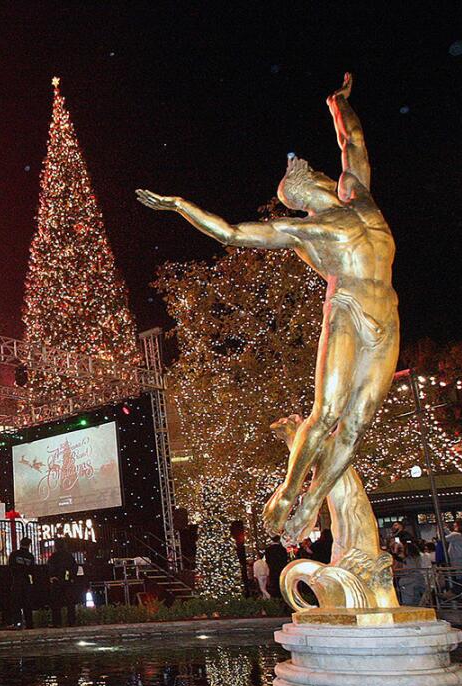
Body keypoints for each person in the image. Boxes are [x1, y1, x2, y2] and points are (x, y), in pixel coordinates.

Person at [139, 72, 399, 546]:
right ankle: (288, 491)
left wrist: (338, 104)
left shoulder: (360, 196)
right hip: (347, 309)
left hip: (387, 315)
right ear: (303, 189)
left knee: (358, 419)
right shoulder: (304, 230)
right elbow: (232, 233)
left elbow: (353, 142)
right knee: (325, 414)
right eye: (317, 175)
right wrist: (180, 205)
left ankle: (315, 497)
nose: (327, 173)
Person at [46, 542, 80, 627]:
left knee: (56, 602)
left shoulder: (54, 556)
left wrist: (52, 576)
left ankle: (57, 623)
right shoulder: (69, 556)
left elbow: (50, 567)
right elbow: (75, 567)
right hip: (67, 581)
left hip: (57, 581)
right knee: (70, 602)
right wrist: (72, 577)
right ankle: (71, 622)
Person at [7, 538, 37, 629]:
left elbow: (10, 567)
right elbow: (33, 570)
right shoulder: (30, 556)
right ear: (29, 545)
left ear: (20, 543)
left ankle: (17, 623)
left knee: (16, 603)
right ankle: (29, 624)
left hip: (16, 581)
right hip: (26, 581)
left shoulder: (14, 554)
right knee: (27, 603)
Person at [397, 540, 431, 606]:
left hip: (411, 581)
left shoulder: (409, 559)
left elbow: (410, 570)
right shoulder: (419, 557)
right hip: (420, 579)